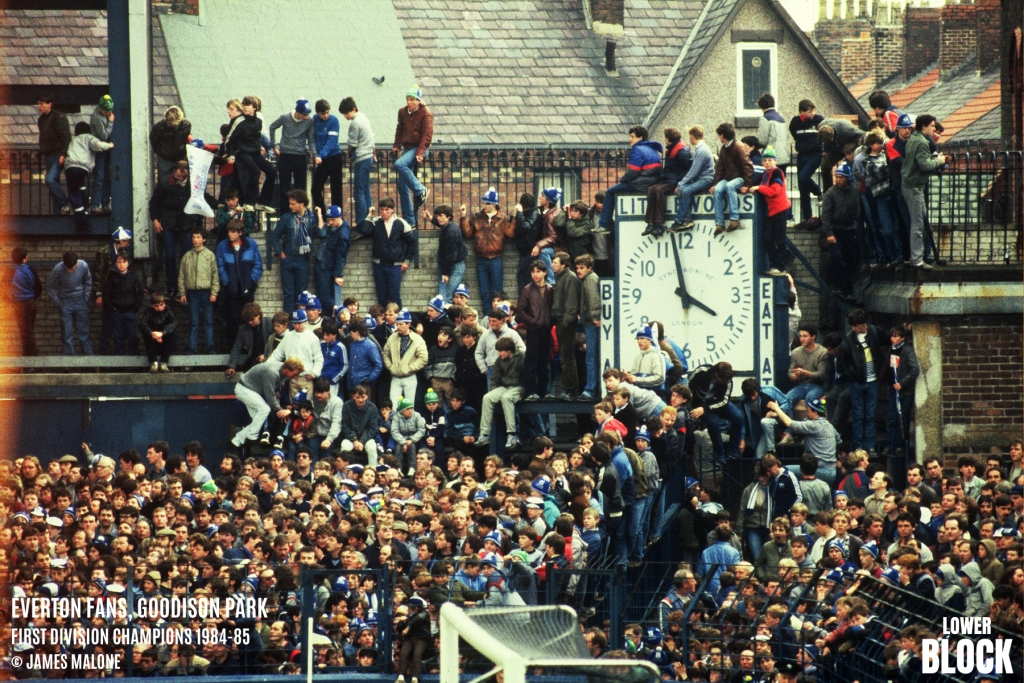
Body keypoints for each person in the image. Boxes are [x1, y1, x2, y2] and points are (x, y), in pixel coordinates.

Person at [150, 160, 205, 299]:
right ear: (174, 171)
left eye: (184, 176)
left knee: (186, 256)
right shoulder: (165, 182)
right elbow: (154, 202)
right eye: (179, 175)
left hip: (186, 223)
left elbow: (200, 200)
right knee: (169, 256)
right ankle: (172, 287)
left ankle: (185, 288)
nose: (181, 178)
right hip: (168, 223)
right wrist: (155, 220)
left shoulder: (192, 184)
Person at [838, 309, 887, 455]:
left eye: (856, 326)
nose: (854, 329)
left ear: (864, 324)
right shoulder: (848, 340)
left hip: (872, 381)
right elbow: (841, 364)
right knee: (859, 415)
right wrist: (852, 378)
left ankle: (869, 446)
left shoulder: (875, 332)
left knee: (870, 415)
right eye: (853, 326)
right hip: (858, 383)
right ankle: (860, 446)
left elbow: (890, 338)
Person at [598, 125, 663, 233]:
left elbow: (633, 172)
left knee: (610, 192)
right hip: (653, 182)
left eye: (632, 136)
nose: (629, 139)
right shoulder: (652, 149)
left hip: (641, 184)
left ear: (640, 138)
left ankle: (604, 224)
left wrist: (623, 179)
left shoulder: (636, 150)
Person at [902, 114, 946, 270]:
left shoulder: (913, 138)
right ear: (924, 126)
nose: (934, 129)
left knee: (920, 221)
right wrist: (939, 161)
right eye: (932, 126)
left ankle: (917, 256)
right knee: (918, 224)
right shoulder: (922, 142)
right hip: (915, 187)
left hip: (909, 185)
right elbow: (924, 165)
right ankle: (917, 259)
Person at [231, 358, 304, 451]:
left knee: (257, 420)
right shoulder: (272, 373)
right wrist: (280, 412)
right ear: (287, 369)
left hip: (253, 390)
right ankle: (252, 438)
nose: (296, 377)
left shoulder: (283, 372)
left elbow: (276, 393)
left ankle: (236, 441)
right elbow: (270, 397)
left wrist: (279, 410)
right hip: (244, 388)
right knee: (264, 409)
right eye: (295, 374)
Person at [356, 197, 417, 307]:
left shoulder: (401, 223)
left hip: (395, 266)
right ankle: (383, 321)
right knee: (381, 296)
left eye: (387, 210)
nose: (384, 212)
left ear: (392, 210)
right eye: (382, 209)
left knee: (394, 296)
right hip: (379, 265)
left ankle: (398, 321)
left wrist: (406, 261)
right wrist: (369, 215)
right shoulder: (376, 222)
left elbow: (412, 243)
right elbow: (364, 230)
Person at [766, 398, 841, 487]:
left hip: (819, 470)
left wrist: (777, 409)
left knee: (783, 471)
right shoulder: (830, 426)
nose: (806, 414)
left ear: (815, 412)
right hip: (832, 471)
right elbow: (839, 441)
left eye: (808, 411)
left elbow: (790, 424)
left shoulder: (814, 425)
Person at [459, 188, 515, 308]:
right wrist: (463, 217)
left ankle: (499, 318)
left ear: (494, 204)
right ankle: (487, 319)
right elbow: (467, 234)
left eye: (488, 203)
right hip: (481, 258)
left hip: (496, 258)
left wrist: (515, 217)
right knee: (484, 293)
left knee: (498, 292)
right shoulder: (477, 217)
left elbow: (510, 234)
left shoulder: (502, 218)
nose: (485, 205)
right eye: (484, 202)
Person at [216, 219, 263, 351]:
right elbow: (220, 267)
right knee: (232, 320)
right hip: (231, 290)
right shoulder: (222, 246)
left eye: (233, 232)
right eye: (229, 232)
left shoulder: (251, 244)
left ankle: (250, 348)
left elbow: (257, 265)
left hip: (247, 289)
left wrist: (251, 281)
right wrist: (227, 283)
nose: (230, 234)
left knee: (249, 319)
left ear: (240, 233)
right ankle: (233, 349)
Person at [225, 96, 277, 213]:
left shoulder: (258, 122)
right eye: (243, 106)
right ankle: (249, 202)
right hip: (241, 151)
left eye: (247, 106)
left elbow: (257, 138)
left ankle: (262, 202)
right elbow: (230, 140)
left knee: (272, 172)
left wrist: (261, 147)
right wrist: (231, 154)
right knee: (255, 171)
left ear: (254, 108)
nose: (245, 108)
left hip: (254, 151)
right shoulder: (239, 121)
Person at [273, 189, 321, 313]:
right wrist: (281, 254)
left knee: (302, 296)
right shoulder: (286, 218)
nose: (290, 206)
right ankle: (288, 324)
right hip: (288, 259)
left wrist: (319, 215)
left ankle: (301, 320)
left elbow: (322, 232)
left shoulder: (311, 217)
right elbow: (275, 237)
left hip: (303, 259)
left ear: (302, 204)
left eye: (293, 204)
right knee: (288, 295)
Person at [392, 87, 433, 226]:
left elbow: (426, 136)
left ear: (418, 101)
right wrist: (397, 145)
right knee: (402, 185)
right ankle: (410, 220)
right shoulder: (402, 112)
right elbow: (399, 129)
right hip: (408, 148)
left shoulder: (426, 113)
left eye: (412, 100)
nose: (409, 102)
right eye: (407, 99)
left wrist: (420, 153)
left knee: (399, 164)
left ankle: (421, 190)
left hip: (421, 147)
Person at [64, 122, 114, 233]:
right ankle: (86, 205)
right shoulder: (89, 137)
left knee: (74, 194)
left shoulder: (73, 140)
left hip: (70, 168)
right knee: (80, 186)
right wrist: (109, 145)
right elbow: (98, 145)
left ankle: (82, 223)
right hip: (83, 168)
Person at [268, 99, 315, 215]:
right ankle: (285, 215)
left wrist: (315, 154)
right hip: (285, 155)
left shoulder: (309, 121)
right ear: (298, 112)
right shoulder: (285, 117)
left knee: (301, 188)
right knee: (285, 188)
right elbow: (272, 127)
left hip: (300, 156)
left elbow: (311, 140)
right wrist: (274, 146)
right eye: (304, 114)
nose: (307, 116)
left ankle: (301, 214)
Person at [820, 161, 860, 300]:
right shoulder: (830, 193)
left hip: (850, 229)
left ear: (847, 178)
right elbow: (825, 215)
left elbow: (857, 208)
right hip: (836, 231)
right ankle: (838, 287)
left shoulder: (854, 190)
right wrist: (829, 234)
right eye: (836, 177)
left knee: (850, 260)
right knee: (837, 259)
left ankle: (848, 291)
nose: (838, 180)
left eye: (841, 177)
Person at [688, 362, 742, 464]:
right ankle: (720, 453)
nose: (725, 382)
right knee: (713, 421)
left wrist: (706, 408)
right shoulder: (702, 371)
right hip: (699, 404)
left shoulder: (728, 380)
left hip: (717, 404)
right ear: (716, 374)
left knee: (738, 417)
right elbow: (688, 387)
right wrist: (691, 406)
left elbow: (724, 401)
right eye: (724, 380)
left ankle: (732, 449)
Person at [643, 127, 692, 237]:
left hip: (675, 181)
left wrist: (680, 183)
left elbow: (689, 169)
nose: (664, 140)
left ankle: (660, 223)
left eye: (665, 137)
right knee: (651, 189)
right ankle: (651, 222)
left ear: (668, 139)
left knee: (659, 190)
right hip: (669, 179)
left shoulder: (681, 152)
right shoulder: (672, 150)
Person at [477, 336, 524, 451]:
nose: (499, 354)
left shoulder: (521, 358)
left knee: (506, 398)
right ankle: (484, 434)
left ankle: (512, 435)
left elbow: (527, 377)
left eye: (502, 351)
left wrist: (523, 394)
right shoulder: (499, 361)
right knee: (487, 397)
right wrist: (494, 390)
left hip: (518, 386)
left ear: (510, 351)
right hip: (504, 386)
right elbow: (494, 379)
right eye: (498, 351)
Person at [177, 228, 219, 354]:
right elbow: (181, 276)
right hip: (192, 293)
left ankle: (210, 346)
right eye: (194, 237)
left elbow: (215, 275)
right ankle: (192, 347)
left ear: (204, 239)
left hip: (206, 292)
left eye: (199, 237)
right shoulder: (187, 256)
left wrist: (214, 292)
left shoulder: (209, 255)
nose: (196, 240)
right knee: (193, 321)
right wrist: (182, 293)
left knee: (208, 321)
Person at [750, 146, 791, 276]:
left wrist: (758, 188)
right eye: (765, 160)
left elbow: (774, 191)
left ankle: (781, 266)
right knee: (766, 239)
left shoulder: (777, 172)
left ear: (775, 161)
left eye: (769, 160)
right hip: (770, 212)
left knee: (780, 239)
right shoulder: (765, 173)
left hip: (779, 209)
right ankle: (775, 264)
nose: (767, 162)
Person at [517, 260, 554, 401]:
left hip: (546, 330)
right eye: (533, 271)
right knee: (531, 361)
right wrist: (533, 322)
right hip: (533, 330)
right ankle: (530, 391)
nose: (535, 274)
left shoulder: (551, 289)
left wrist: (550, 322)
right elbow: (520, 312)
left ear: (545, 272)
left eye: (538, 271)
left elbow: (553, 310)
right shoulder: (527, 289)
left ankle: (543, 392)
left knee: (544, 363)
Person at [710, 122, 753, 236]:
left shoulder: (739, 146)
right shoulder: (724, 148)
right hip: (728, 178)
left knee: (730, 186)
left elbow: (747, 166)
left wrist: (747, 184)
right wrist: (715, 184)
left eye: (719, 135)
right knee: (718, 190)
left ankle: (734, 219)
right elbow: (720, 168)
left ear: (723, 135)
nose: (718, 137)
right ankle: (720, 223)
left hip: (739, 178)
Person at [669, 125, 715, 232]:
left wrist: (680, 183)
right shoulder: (700, 148)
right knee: (682, 190)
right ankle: (687, 220)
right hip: (702, 179)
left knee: (686, 190)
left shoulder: (702, 150)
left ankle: (679, 221)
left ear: (692, 137)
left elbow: (694, 171)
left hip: (706, 180)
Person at [47, 251, 93, 356]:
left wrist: (85, 298)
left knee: (83, 333)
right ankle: (69, 363)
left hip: (80, 300)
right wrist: (58, 303)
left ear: (76, 263)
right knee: (67, 334)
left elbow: (88, 281)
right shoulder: (58, 268)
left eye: (73, 267)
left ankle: (89, 362)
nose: (70, 270)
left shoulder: (83, 265)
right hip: (65, 301)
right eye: (68, 268)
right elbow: (49, 286)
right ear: (64, 263)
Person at [339, 96, 375, 225]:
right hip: (369, 156)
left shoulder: (355, 123)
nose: (345, 116)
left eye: (346, 113)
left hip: (361, 158)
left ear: (353, 109)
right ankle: (369, 218)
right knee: (365, 189)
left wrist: (349, 154)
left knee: (358, 192)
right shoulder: (364, 117)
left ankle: (361, 222)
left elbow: (352, 144)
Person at [382, 309, 428, 408]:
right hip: (395, 378)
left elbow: (423, 358)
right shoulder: (392, 337)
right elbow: (385, 353)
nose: (398, 327)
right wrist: (391, 367)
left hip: (410, 378)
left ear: (408, 324)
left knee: (409, 407)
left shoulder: (417, 339)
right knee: (393, 407)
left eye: (401, 324)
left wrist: (410, 368)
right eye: (397, 324)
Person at [886, 324, 919, 460]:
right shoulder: (891, 349)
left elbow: (914, 370)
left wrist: (903, 383)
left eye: (896, 336)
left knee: (901, 418)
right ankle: (889, 445)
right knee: (891, 418)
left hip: (904, 391)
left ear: (903, 338)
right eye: (891, 336)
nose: (893, 339)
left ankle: (900, 446)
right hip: (893, 389)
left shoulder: (907, 351)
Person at [550, 252, 581, 399]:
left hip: (566, 322)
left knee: (567, 357)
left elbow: (571, 303)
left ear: (563, 264)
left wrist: (566, 322)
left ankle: (569, 390)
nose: (552, 265)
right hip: (561, 321)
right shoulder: (561, 278)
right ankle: (569, 389)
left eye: (555, 262)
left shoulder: (570, 278)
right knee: (565, 356)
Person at [789, 99, 824, 223]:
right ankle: (807, 216)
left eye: (813, 110)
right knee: (802, 185)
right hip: (802, 155)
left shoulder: (819, 120)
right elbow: (793, 133)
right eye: (809, 111)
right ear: (801, 112)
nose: (812, 113)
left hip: (815, 154)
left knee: (803, 177)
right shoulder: (795, 122)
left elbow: (825, 133)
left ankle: (818, 192)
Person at [36, 92, 72, 215]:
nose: (39, 106)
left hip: (57, 154)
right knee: (53, 183)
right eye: (38, 104)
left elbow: (66, 136)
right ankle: (59, 212)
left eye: (41, 104)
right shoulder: (41, 120)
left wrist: (63, 154)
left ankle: (65, 203)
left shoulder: (58, 117)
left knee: (50, 180)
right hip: (48, 155)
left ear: (49, 104)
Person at [314, 205, 351, 317]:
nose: (330, 222)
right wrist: (320, 215)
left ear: (340, 217)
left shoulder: (343, 233)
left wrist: (338, 274)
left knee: (325, 298)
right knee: (321, 296)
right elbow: (321, 232)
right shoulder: (334, 227)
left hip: (327, 268)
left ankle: (339, 315)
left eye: (332, 220)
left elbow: (340, 256)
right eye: (328, 219)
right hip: (321, 265)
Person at [428, 204, 467, 304]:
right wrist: (431, 219)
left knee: (448, 296)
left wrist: (446, 273)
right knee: (446, 296)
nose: (439, 218)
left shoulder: (451, 231)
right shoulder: (448, 226)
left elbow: (451, 255)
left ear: (448, 216)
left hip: (454, 267)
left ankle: (449, 318)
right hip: (450, 266)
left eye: (441, 216)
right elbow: (440, 223)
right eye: (437, 216)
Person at [575, 254, 601, 399]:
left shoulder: (590, 280)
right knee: (592, 356)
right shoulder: (589, 279)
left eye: (582, 268)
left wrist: (595, 316)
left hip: (592, 323)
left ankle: (590, 390)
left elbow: (594, 298)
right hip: (590, 322)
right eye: (577, 267)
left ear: (589, 268)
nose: (579, 270)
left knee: (591, 357)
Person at [226, 303, 273, 376]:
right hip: (254, 360)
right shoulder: (243, 328)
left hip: (270, 358)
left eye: (252, 320)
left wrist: (265, 355)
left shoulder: (270, 323)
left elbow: (276, 344)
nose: (250, 322)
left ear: (258, 315)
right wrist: (232, 366)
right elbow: (237, 348)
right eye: (248, 320)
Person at [786, 323, 828, 407]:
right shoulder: (796, 352)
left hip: (818, 386)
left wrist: (805, 373)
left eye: (805, 336)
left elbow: (821, 375)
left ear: (813, 337)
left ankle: (810, 420)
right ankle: (788, 420)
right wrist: (794, 376)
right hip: (801, 385)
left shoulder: (823, 352)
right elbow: (790, 372)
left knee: (811, 397)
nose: (802, 339)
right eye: (800, 336)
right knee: (788, 398)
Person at [150, 105, 191, 188]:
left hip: (178, 158)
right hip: (165, 159)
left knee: (180, 183)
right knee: (164, 184)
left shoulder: (186, 125)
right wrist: (162, 153)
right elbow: (153, 140)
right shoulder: (159, 127)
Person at [10, 247, 42, 357]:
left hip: (19, 304)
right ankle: (30, 360)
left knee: (25, 333)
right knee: (28, 331)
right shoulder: (31, 269)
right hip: (31, 302)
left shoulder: (11, 271)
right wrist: (33, 298)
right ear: (24, 259)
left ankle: (32, 360)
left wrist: (11, 300)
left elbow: (2, 289)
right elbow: (39, 287)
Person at [138, 293, 177, 373]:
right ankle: (154, 363)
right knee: (147, 335)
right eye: (156, 306)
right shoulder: (149, 311)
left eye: (161, 305)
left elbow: (174, 323)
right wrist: (152, 333)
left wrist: (162, 333)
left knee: (172, 335)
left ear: (164, 304)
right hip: (153, 342)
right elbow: (142, 323)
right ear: (152, 305)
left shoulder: (168, 310)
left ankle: (164, 363)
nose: (159, 308)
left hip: (165, 341)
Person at [755, 93, 791, 173]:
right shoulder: (782, 118)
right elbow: (787, 136)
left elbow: (762, 141)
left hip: (771, 158)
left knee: (771, 182)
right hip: (784, 156)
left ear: (761, 107)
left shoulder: (765, 118)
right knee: (781, 182)